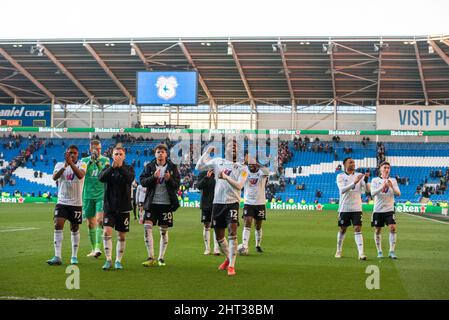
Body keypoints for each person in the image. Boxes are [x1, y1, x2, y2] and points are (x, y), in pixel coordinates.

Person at [195, 141, 249, 276]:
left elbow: (239, 186)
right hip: (217, 203)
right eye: (231, 145)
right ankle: (228, 259)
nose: (233, 148)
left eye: (236, 146)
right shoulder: (218, 161)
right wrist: (207, 152)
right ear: (226, 149)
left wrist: (225, 177)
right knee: (219, 237)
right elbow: (199, 166)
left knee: (232, 232)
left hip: (232, 203)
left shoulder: (242, 168)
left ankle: (231, 266)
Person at [140, 144, 180, 267]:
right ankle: (150, 257)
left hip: (166, 204)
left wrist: (169, 179)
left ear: (166, 154)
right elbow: (142, 182)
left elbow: (177, 185)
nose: (160, 154)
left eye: (162, 152)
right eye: (158, 152)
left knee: (163, 231)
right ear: (155, 154)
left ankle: (161, 257)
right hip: (152, 203)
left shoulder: (173, 167)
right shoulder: (149, 166)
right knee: (147, 227)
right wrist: (153, 177)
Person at [47, 145, 87, 266]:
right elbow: (54, 177)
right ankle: (57, 256)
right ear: (66, 153)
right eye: (70, 153)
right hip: (62, 202)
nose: (72, 154)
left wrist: (71, 164)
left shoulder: (82, 164)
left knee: (74, 228)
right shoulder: (59, 165)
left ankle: (74, 256)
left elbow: (80, 175)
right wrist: (65, 165)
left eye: (74, 153)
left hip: (76, 203)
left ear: (78, 154)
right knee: (57, 224)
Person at [98, 145, 135, 270]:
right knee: (106, 231)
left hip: (124, 207)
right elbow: (101, 178)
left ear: (124, 156)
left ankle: (118, 260)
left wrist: (120, 168)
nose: (118, 156)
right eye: (116, 154)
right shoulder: (108, 168)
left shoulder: (129, 168)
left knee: (121, 236)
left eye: (120, 154)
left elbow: (130, 179)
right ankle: (108, 259)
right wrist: (112, 168)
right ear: (112, 156)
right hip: (109, 207)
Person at [335, 157, 370, 260]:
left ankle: (361, 253)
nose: (353, 163)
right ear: (345, 165)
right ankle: (339, 250)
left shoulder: (359, 176)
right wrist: (354, 182)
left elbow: (366, 191)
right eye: (350, 162)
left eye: (354, 162)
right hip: (344, 207)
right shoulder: (340, 176)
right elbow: (342, 190)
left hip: (356, 207)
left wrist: (366, 179)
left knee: (358, 228)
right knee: (342, 229)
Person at [81, 140, 110, 258]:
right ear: (90, 149)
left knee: (99, 220)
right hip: (87, 196)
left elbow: (105, 173)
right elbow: (81, 174)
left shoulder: (105, 160)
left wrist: (97, 161)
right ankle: (93, 249)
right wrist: (90, 162)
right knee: (90, 224)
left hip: (101, 195)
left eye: (99, 149)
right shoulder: (84, 161)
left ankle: (98, 248)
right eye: (96, 149)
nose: (98, 151)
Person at [238, 156, 270, 255]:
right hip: (248, 202)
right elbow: (239, 170)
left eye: (253, 164)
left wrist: (256, 163)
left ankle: (258, 245)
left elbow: (267, 171)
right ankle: (244, 245)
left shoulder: (261, 172)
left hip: (260, 203)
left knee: (258, 225)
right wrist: (244, 162)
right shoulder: (245, 172)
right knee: (247, 222)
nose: (251, 166)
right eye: (249, 164)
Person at [370, 162, 400, 259]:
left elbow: (398, 193)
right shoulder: (375, 180)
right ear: (380, 169)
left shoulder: (393, 180)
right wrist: (382, 187)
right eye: (385, 167)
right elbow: (372, 193)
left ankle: (391, 251)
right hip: (378, 210)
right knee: (378, 230)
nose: (387, 169)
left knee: (393, 227)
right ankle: (379, 251)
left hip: (389, 209)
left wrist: (392, 186)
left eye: (388, 168)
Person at [197, 169, 220, 256]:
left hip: (217, 203)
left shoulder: (219, 173)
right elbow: (199, 186)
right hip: (206, 204)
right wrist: (206, 177)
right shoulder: (202, 173)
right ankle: (207, 248)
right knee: (207, 225)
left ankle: (216, 248)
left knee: (216, 225)